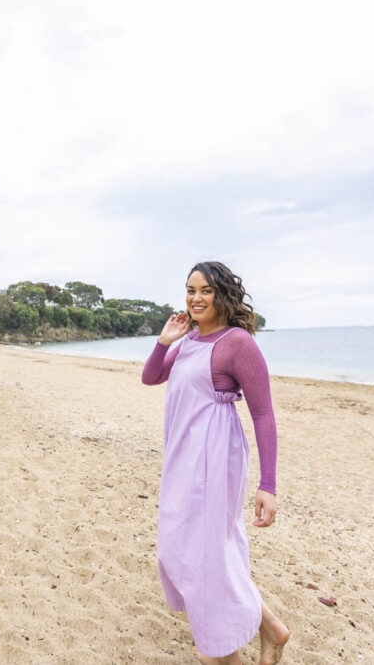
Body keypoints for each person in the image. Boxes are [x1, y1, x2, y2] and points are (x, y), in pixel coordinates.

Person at [141, 261, 290, 665]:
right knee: (181, 549)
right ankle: (272, 629)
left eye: (205, 290)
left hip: (215, 458)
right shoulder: (188, 339)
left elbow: (263, 414)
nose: (195, 298)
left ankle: (221, 651)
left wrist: (268, 484)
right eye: (190, 290)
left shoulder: (238, 343)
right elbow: (151, 377)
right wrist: (164, 340)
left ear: (222, 294)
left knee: (206, 552)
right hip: (182, 457)